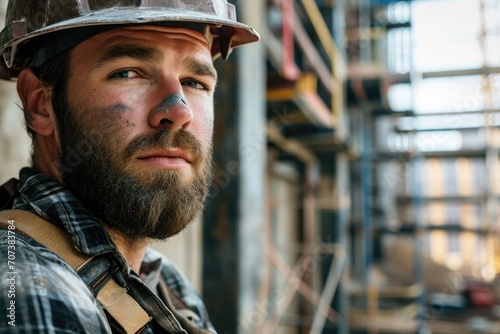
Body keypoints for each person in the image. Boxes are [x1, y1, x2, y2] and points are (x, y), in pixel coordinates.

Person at [0, 1, 259, 333]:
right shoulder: (28, 291)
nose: (179, 112)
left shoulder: (166, 284)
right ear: (39, 103)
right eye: (128, 72)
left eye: (195, 82)